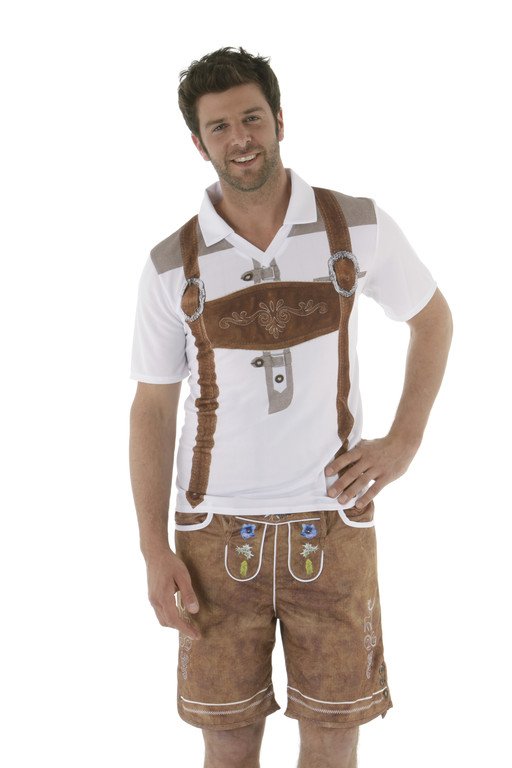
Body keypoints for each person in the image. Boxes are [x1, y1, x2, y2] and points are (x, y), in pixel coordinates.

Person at [129, 47, 453, 768]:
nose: (240, 139)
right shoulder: (170, 264)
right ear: (198, 143)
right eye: (219, 127)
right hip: (213, 536)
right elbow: (151, 408)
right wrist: (154, 547)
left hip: (332, 522)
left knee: (333, 741)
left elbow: (433, 320)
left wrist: (403, 441)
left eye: (252, 118)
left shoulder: (356, 226)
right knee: (228, 745)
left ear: (280, 119)